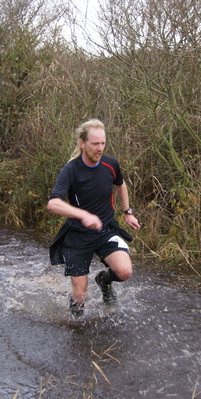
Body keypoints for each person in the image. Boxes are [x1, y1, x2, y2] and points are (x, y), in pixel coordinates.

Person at [48, 119, 140, 315]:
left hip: (105, 230)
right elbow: (53, 203)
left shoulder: (110, 163)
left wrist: (127, 213)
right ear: (82, 143)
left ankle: (104, 281)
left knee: (125, 272)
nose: (100, 148)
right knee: (80, 296)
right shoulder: (71, 170)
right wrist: (83, 215)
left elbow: (120, 184)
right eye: (95, 144)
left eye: (103, 143)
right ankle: (76, 329)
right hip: (78, 235)